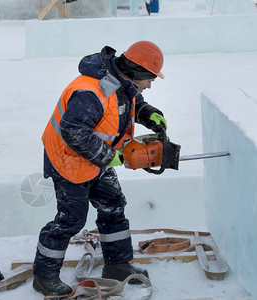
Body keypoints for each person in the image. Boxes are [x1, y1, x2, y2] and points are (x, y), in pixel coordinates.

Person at [33, 41, 168, 297]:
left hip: (96, 156)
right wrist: (111, 157)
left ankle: (117, 266)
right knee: (70, 220)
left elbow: (130, 101)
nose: (150, 85)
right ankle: (44, 276)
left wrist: (147, 112)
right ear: (137, 71)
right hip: (68, 159)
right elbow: (73, 131)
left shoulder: (119, 81)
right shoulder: (90, 91)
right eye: (150, 79)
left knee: (113, 206)